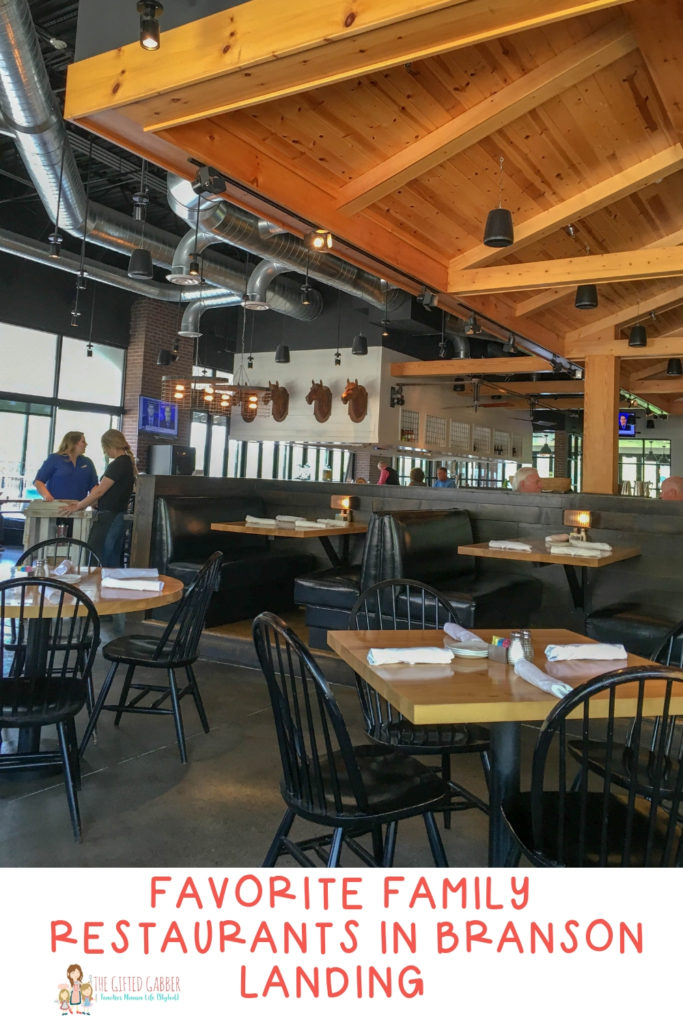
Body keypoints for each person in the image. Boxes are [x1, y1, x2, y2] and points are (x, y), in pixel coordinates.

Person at [60, 429, 136, 566]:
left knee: (98, 556)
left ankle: (98, 585)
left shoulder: (118, 464)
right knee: (110, 556)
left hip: (109, 517)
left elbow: (100, 491)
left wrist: (78, 505)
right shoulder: (127, 463)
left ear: (109, 446)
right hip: (117, 515)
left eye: (104, 448)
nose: (105, 452)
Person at [34, 431, 98, 502]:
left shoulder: (87, 462)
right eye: (83, 441)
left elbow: (94, 486)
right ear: (73, 443)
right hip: (56, 507)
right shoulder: (55, 459)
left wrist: (92, 500)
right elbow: (39, 482)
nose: (86, 444)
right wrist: (47, 496)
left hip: (79, 507)